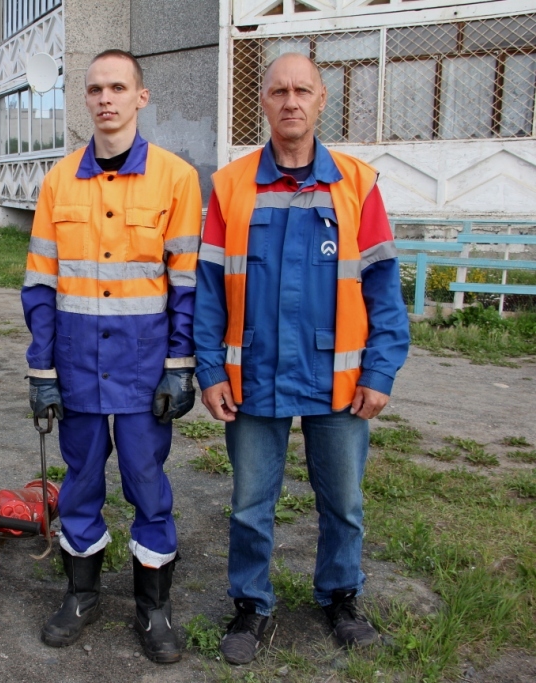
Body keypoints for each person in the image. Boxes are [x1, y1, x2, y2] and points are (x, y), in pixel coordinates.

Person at [194, 53, 410, 665]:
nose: (291, 101)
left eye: (303, 91)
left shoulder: (358, 185)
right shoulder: (230, 185)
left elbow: (383, 291)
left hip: (338, 384)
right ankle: (250, 605)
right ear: (261, 101)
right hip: (251, 379)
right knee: (249, 504)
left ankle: (341, 597)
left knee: (343, 502)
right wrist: (210, 369)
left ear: (321, 101)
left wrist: (380, 371)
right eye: (279, 90)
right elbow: (209, 291)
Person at [22, 49, 202, 664]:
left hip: (144, 369)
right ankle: (82, 595)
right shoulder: (57, 181)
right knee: (78, 484)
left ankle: (153, 607)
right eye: (96, 88)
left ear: (140, 97)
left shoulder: (176, 179)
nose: (106, 98)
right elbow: (40, 283)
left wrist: (181, 366)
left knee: (148, 487)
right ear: (86, 99)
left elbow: (187, 286)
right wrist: (41, 370)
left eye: (118, 87)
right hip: (73, 368)